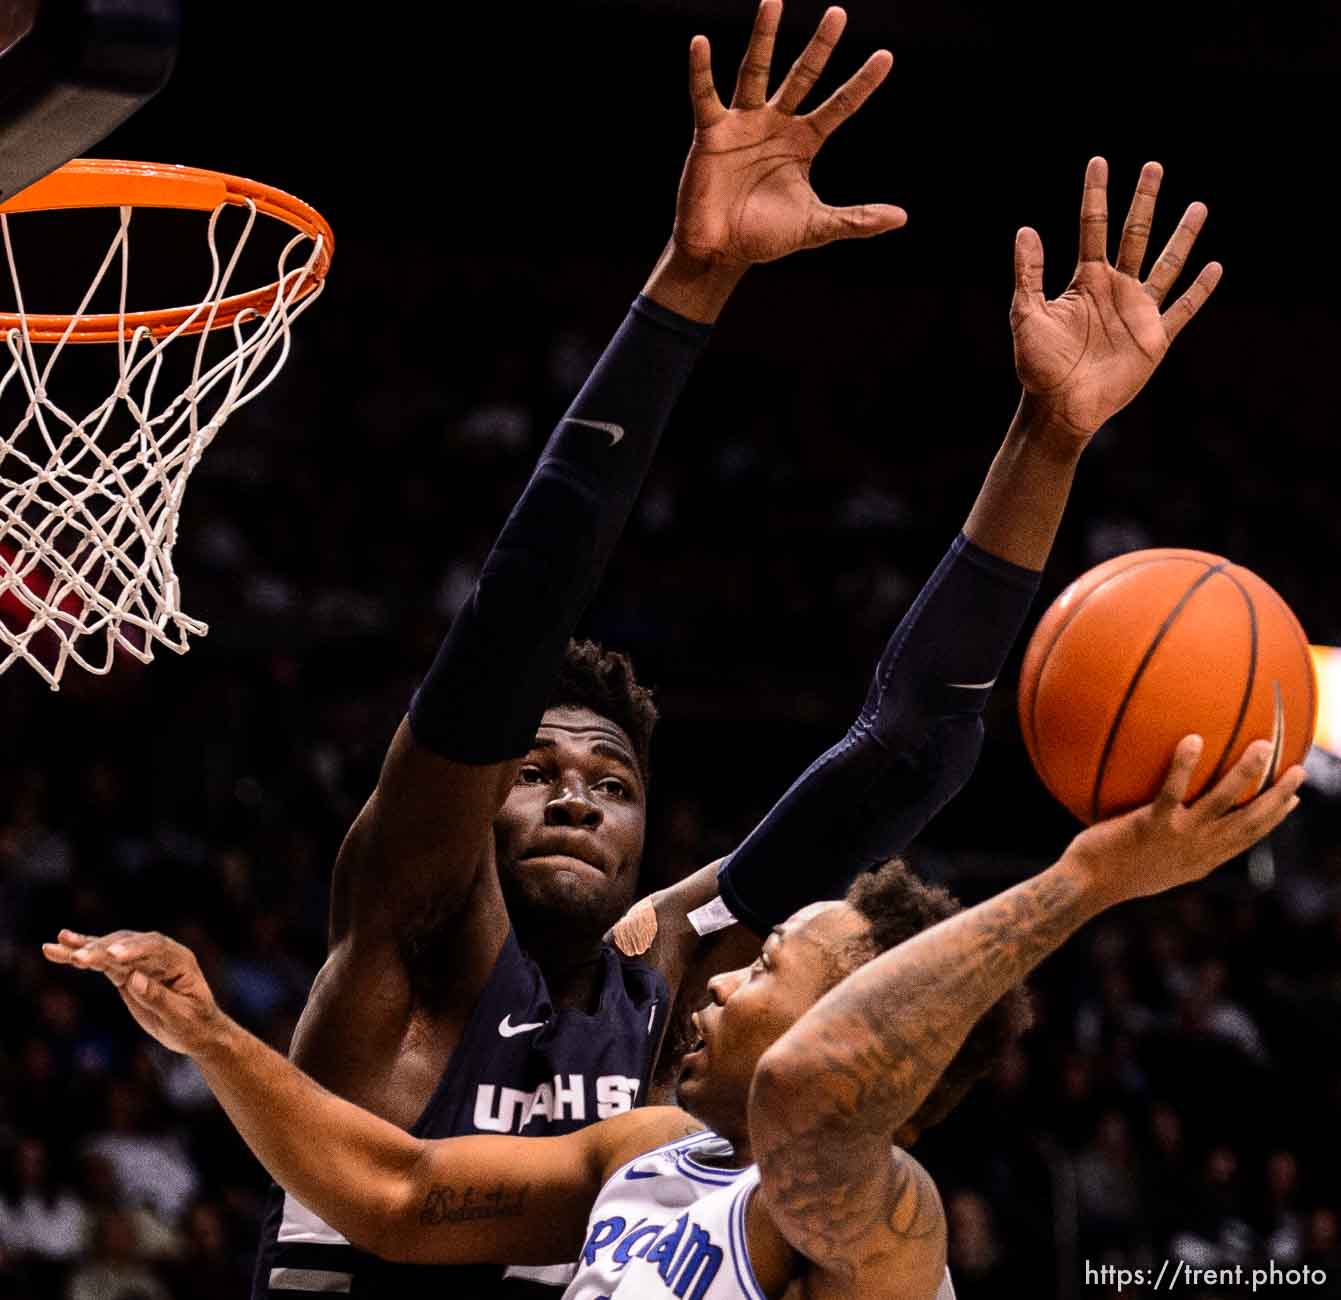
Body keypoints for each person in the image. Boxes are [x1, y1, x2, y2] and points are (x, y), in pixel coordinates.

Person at [87, 7, 1225, 1297]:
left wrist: (1050, 439)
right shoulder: (408, 925)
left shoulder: (678, 982)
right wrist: (691, 285)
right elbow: (508, 629)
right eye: (540, 770)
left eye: (615, 784)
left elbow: (909, 744)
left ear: (649, 840)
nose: (578, 791)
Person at [45, 737, 1305, 1300]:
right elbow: (395, 1191)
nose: (717, 980)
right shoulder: (648, 1157)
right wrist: (212, 1032)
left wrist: (1079, 884)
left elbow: (816, 1095)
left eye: (770, 976)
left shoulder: (880, 1229)